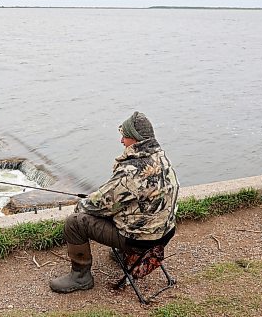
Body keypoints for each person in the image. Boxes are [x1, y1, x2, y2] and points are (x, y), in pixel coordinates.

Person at [50, 111, 179, 293]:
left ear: (135, 139)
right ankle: (122, 255)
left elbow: (98, 204)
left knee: (74, 222)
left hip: (140, 241)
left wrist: (81, 206)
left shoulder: (132, 170)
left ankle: (80, 277)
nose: (121, 141)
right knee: (124, 207)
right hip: (165, 234)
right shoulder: (162, 158)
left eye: (124, 137)